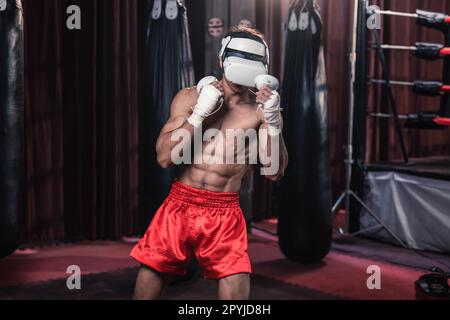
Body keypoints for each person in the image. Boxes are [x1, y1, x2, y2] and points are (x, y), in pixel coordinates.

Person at [130, 26, 288, 300]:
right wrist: (199, 114)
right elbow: (165, 158)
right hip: (180, 204)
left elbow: (275, 173)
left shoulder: (262, 110)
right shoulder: (191, 97)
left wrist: (273, 123)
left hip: (224, 212)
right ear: (222, 60)